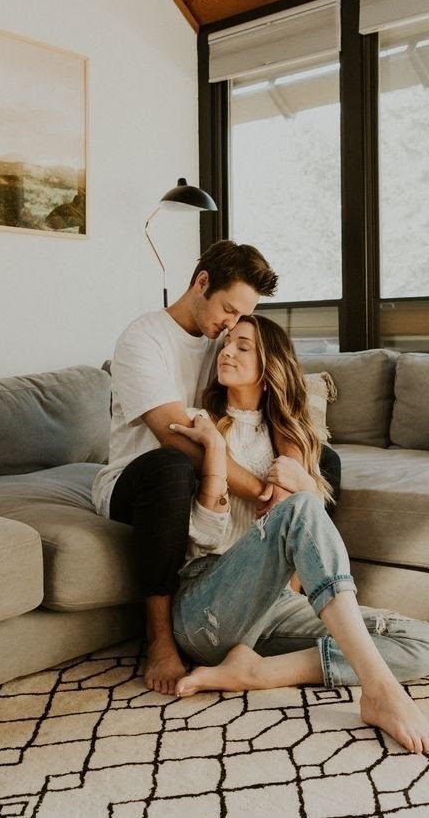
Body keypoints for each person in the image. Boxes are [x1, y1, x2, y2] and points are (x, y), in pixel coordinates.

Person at [168, 315, 429, 757]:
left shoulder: (295, 441)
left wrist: (304, 486)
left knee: (422, 643)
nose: (226, 352)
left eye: (243, 347)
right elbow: (202, 538)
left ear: (270, 366)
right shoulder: (202, 423)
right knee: (302, 506)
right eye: (226, 344)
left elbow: (308, 547)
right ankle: (381, 691)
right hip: (208, 605)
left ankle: (258, 672)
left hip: (274, 609)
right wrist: (215, 458)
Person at [92, 240, 342, 695]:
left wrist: (291, 471)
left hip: (203, 477)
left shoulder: (221, 339)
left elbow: (276, 395)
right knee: (172, 467)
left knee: (326, 462)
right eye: (227, 309)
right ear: (201, 282)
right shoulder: (143, 339)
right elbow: (176, 437)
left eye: (238, 317)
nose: (231, 325)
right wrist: (266, 494)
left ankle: (293, 592)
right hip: (138, 480)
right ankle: (161, 639)